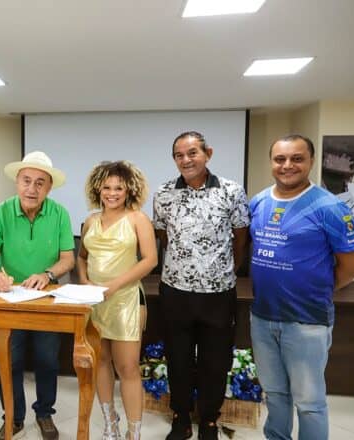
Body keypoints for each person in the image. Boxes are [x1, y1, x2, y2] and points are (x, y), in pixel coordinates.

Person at [249, 134, 354, 440]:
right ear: (272, 162)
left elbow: (353, 266)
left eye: (297, 159)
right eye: (280, 159)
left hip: (307, 321)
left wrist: (318, 289)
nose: (287, 165)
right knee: (274, 394)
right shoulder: (259, 202)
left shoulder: (330, 207)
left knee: (309, 403)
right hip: (262, 317)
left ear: (311, 161)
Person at [153, 131, 249, 440]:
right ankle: (180, 417)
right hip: (176, 292)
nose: (186, 160)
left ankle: (209, 420)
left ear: (208, 153)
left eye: (192, 152)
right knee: (178, 359)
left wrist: (222, 270)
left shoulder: (231, 190)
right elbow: (164, 238)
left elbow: (240, 238)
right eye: (179, 155)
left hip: (218, 294)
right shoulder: (164, 193)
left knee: (215, 361)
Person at [0, 151, 75, 440]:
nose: (32, 189)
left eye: (40, 183)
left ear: (49, 187)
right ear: (17, 182)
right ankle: (13, 416)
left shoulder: (60, 213)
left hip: (47, 300)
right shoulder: (1, 212)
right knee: (9, 361)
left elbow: (68, 259)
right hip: (10, 300)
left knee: (48, 361)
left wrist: (47, 275)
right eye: (26, 181)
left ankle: (44, 413)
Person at [77, 161, 158, 440]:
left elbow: (150, 260)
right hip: (95, 301)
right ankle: (110, 422)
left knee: (128, 368)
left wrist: (113, 286)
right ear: (98, 189)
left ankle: (133, 433)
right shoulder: (90, 221)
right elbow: (82, 257)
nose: (112, 193)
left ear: (129, 190)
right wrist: (85, 282)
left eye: (119, 188)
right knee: (100, 362)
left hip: (125, 300)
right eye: (107, 187)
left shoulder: (138, 219)